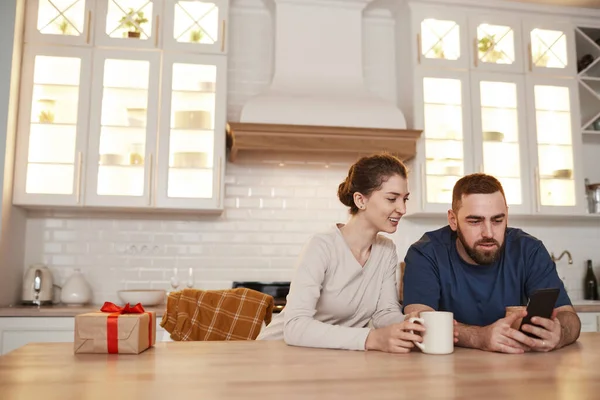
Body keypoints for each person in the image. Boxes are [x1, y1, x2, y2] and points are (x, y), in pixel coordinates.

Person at [257, 153, 425, 352]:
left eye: (404, 199)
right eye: (392, 198)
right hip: (276, 354)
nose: (403, 209)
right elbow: (295, 326)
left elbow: (384, 313)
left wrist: (413, 323)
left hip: (327, 357)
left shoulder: (386, 250)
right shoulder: (322, 245)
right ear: (360, 200)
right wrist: (370, 338)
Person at [403, 173, 581, 354]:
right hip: (445, 371)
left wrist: (560, 334)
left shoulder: (529, 250)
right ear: (453, 220)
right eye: (475, 221)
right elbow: (418, 322)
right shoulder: (425, 253)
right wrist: (479, 336)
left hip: (516, 368)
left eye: (497, 220)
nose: (488, 233)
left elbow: (569, 317)